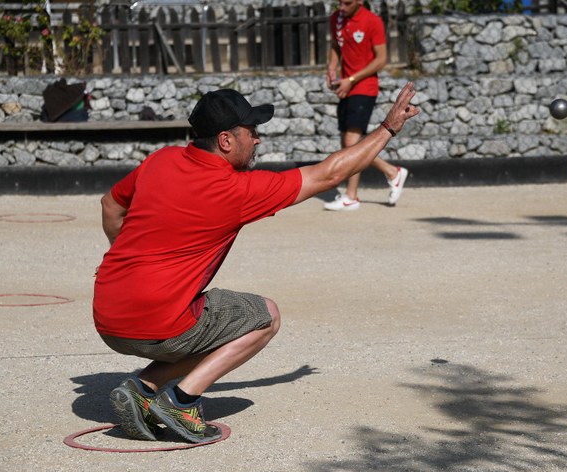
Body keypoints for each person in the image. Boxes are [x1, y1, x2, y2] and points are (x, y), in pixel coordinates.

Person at [93, 83, 419, 443]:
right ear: (226, 141)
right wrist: (387, 128)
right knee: (264, 316)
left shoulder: (161, 159)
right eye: (252, 132)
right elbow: (328, 174)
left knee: (203, 319)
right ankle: (180, 401)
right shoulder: (235, 189)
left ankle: (143, 387)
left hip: (107, 315)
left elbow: (111, 205)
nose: (258, 140)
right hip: (157, 322)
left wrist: (123, 260)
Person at [323, 0, 409, 211]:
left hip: (364, 87)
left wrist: (351, 80)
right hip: (345, 86)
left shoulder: (373, 21)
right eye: (339, 2)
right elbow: (336, 45)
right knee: (349, 143)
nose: (342, 7)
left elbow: (381, 60)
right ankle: (392, 172)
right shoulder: (337, 18)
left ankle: (352, 196)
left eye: (347, 3)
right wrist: (332, 68)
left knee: (351, 141)